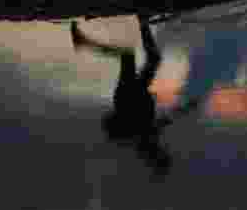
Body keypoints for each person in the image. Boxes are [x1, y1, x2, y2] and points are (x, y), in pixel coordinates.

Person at [71, 16, 202, 178]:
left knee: (132, 55)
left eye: (162, 155)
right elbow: (166, 120)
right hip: (135, 94)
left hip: (129, 96)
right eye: (164, 154)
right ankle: (142, 21)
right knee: (148, 58)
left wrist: (186, 108)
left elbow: (160, 122)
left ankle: (86, 42)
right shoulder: (146, 141)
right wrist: (187, 108)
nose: (165, 150)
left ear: (157, 156)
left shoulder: (144, 141)